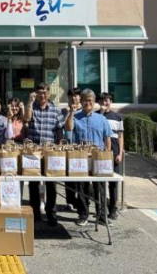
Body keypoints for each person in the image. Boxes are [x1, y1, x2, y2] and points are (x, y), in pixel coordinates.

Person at [65, 88, 113, 227]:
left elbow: (107, 137)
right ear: (81, 101)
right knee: (82, 188)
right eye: (85, 100)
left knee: (100, 188)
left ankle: (102, 216)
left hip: (98, 158)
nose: (87, 103)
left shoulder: (101, 118)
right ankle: (83, 214)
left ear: (94, 102)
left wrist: (108, 155)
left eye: (90, 100)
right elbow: (68, 128)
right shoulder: (75, 116)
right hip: (81, 158)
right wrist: (71, 112)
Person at [23, 82, 64, 226]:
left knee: (51, 183)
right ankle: (35, 212)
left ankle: (51, 213)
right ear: (36, 93)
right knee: (33, 183)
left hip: (50, 152)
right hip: (33, 151)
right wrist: (30, 102)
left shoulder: (56, 110)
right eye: (40, 92)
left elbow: (59, 130)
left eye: (45, 92)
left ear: (49, 93)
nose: (43, 95)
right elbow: (26, 119)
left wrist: (59, 147)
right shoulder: (31, 107)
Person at [98, 92, 124, 221]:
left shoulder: (117, 117)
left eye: (107, 100)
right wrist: (101, 113)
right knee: (100, 183)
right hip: (100, 153)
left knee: (113, 183)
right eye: (102, 100)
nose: (104, 103)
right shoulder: (96, 116)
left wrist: (120, 153)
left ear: (111, 101)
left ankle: (113, 209)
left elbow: (120, 136)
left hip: (114, 152)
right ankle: (102, 210)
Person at [62, 87, 81, 212]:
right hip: (66, 147)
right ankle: (70, 201)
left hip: (79, 148)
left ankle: (80, 202)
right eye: (71, 96)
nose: (74, 98)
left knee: (79, 176)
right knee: (68, 176)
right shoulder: (64, 111)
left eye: (76, 96)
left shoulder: (83, 111)